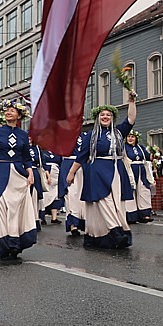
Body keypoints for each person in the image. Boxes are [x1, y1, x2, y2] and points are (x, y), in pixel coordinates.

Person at [67, 95, 137, 249]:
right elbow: (82, 156)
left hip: (116, 169)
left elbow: (131, 119)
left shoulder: (118, 132)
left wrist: (131, 102)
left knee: (116, 202)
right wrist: (71, 173)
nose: (105, 117)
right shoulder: (91, 136)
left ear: (112, 118)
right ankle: (116, 232)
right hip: (98, 170)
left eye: (108, 115)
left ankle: (102, 237)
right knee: (104, 201)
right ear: (97, 118)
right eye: (102, 115)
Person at [0, 100, 37, 260]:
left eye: (12, 110)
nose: (8, 112)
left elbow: (26, 157)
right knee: (2, 206)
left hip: (18, 175)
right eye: (6, 110)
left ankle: (15, 242)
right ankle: (3, 243)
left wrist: (30, 173)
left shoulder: (23, 135)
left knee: (16, 209)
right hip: (0, 173)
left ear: (19, 115)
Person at [124, 131, 154, 224]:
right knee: (131, 191)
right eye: (128, 136)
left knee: (144, 191)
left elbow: (148, 157)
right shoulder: (123, 148)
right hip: (130, 170)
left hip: (142, 170)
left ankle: (144, 214)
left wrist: (154, 153)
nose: (130, 138)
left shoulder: (141, 147)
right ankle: (131, 216)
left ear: (136, 138)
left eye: (132, 137)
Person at [60, 132, 87, 235]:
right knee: (70, 194)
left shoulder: (86, 135)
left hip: (83, 165)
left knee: (82, 194)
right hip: (68, 163)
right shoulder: (64, 134)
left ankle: (83, 222)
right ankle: (73, 224)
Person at [149, 147, 163, 216]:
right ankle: (153, 209)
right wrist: (153, 172)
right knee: (154, 194)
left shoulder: (162, 162)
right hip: (154, 179)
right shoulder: (150, 163)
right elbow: (149, 171)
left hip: (160, 178)